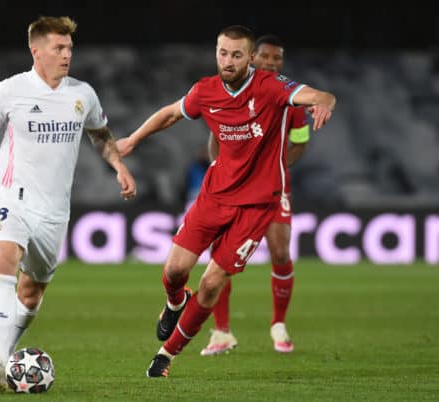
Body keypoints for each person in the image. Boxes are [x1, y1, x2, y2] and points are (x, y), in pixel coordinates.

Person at [117, 25, 335, 377]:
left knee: (213, 281)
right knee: (174, 271)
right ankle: (175, 301)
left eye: (236, 55)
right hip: (214, 195)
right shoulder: (206, 91)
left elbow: (318, 95)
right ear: (215, 52)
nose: (228, 61)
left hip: (257, 204)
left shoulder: (270, 87)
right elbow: (171, 113)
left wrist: (324, 102)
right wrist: (133, 139)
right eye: (223, 53)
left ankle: (166, 355)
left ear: (250, 58)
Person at [0, 16, 136, 392]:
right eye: (58, 49)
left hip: (54, 212)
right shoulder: (10, 90)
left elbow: (100, 134)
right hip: (14, 198)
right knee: (4, 258)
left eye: (69, 49)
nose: (67, 56)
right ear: (36, 51)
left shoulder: (83, 94)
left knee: (30, 294)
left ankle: (4, 361)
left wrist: (119, 166)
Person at [200, 34, 310, 356]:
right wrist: (219, 168)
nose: (273, 63)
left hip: (273, 186)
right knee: (221, 253)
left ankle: (278, 324)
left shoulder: (292, 101)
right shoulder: (233, 92)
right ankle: (221, 332)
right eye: (266, 57)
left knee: (279, 250)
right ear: (251, 58)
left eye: (278, 59)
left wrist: (270, 167)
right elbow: (215, 138)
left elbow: (300, 143)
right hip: (233, 186)